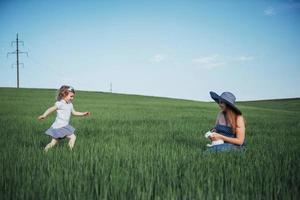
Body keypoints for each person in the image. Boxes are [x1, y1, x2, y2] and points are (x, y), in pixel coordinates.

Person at [38, 85, 90, 151]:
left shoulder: (70, 104)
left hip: (64, 126)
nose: (72, 98)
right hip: (59, 126)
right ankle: (46, 151)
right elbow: (51, 109)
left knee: (69, 138)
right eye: (71, 96)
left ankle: (47, 150)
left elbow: (74, 112)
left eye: (73, 96)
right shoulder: (60, 104)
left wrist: (83, 114)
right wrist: (44, 115)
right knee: (56, 142)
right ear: (64, 95)